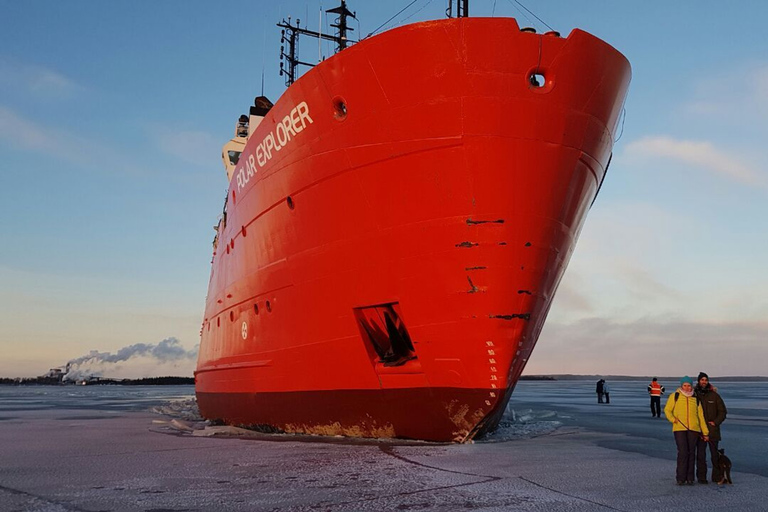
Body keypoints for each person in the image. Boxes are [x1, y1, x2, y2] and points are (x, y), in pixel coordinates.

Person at [665, 376, 709, 485]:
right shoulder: (675, 396)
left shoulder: (696, 398)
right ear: (681, 386)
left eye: (689, 385)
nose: (687, 387)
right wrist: (672, 419)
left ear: (691, 386)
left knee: (691, 453)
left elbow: (700, 416)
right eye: (684, 385)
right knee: (683, 452)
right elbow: (667, 410)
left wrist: (705, 432)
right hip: (679, 428)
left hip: (694, 429)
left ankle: (690, 478)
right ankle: (681, 478)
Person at [694, 372, 727, 484]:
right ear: (698, 381)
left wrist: (716, 422)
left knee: (714, 455)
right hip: (699, 431)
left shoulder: (714, 395)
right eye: (702, 380)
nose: (704, 382)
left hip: (713, 431)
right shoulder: (694, 395)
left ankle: (717, 477)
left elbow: (723, 411)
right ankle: (701, 477)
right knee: (700, 455)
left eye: (705, 380)